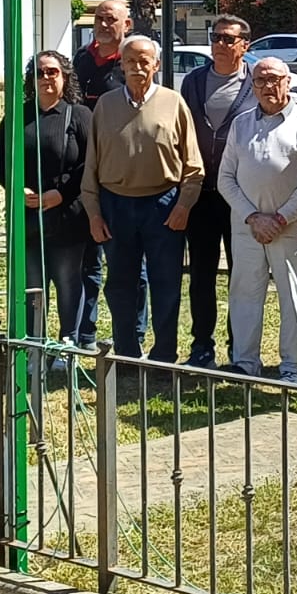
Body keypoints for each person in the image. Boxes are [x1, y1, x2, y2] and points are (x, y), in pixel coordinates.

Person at [81, 35, 203, 362]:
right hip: (115, 204)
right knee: (121, 284)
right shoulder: (105, 105)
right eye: (130, 61)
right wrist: (94, 213)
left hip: (163, 205)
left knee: (166, 283)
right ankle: (127, 352)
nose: (137, 67)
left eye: (144, 60)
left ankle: (164, 355)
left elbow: (193, 164)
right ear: (121, 65)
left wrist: (184, 205)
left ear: (156, 64)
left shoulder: (174, 103)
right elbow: (91, 164)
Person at [218, 59, 297, 384]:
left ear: (288, 81)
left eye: (274, 79)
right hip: (247, 229)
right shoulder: (240, 124)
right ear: (252, 85)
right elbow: (226, 178)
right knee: (244, 295)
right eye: (260, 80)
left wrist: (280, 218)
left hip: (291, 229)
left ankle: (292, 368)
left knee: (292, 297)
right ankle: (245, 363)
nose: (267, 86)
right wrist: (253, 217)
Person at [0, 51, 92, 359]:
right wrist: (16, 188)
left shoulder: (79, 115)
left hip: (68, 215)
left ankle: (67, 346)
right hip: (28, 216)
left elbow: (91, 163)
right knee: (33, 285)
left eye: (52, 72)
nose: (45, 78)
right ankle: (35, 346)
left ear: (65, 77)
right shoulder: (18, 116)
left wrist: (61, 194)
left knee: (68, 282)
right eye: (38, 72)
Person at [179, 14, 258, 369]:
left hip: (240, 196)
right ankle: (202, 345)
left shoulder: (255, 82)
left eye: (228, 38)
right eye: (216, 37)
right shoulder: (194, 82)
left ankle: (238, 346)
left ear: (245, 45)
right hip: (201, 194)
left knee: (242, 275)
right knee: (201, 274)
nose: (220, 44)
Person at [69, 0, 133, 349]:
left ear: (127, 25)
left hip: (121, 176)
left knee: (128, 266)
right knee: (87, 262)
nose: (104, 25)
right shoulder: (80, 60)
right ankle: (85, 334)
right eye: (99, 18)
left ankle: (131, 340)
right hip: (83, 174)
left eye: (111, 19)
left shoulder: (132, 61)